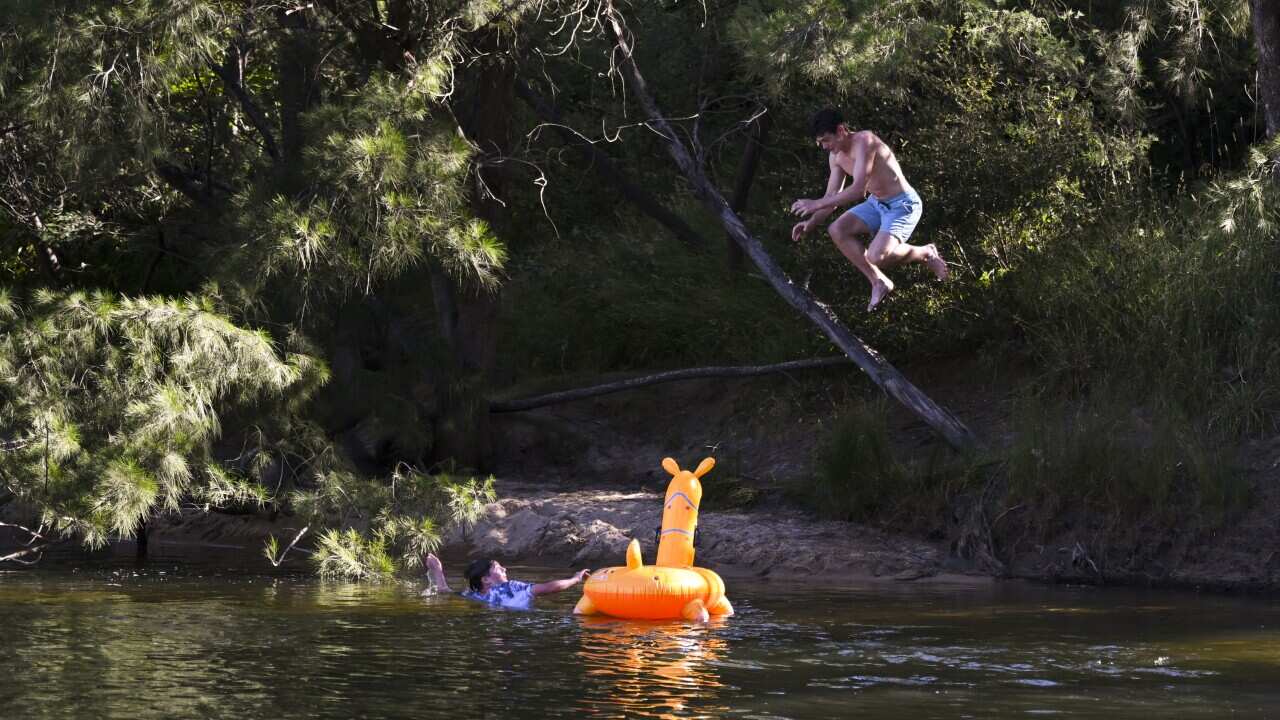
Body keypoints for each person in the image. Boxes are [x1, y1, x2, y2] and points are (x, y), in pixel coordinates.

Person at [790, 108, 948, 311]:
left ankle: (925, 253)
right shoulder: (836, 157)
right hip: (877, 203)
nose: (824, 147)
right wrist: (811, 222)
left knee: (876, 256)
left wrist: (815, 203)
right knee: (837, 230)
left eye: (826, 140)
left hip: (902, 205)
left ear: (841, 130)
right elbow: (831, 198)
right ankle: (878, 281)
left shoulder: (865, 141)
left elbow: (857, 190)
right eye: (820, 142)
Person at [423, 552, 590, 610]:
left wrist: (438, 570)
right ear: (486, 579)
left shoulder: (474, 596)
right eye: (498, 568)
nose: (505, 570)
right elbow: (549, 588)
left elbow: (445, 591)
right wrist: (575, 579)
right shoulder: (511, 587)